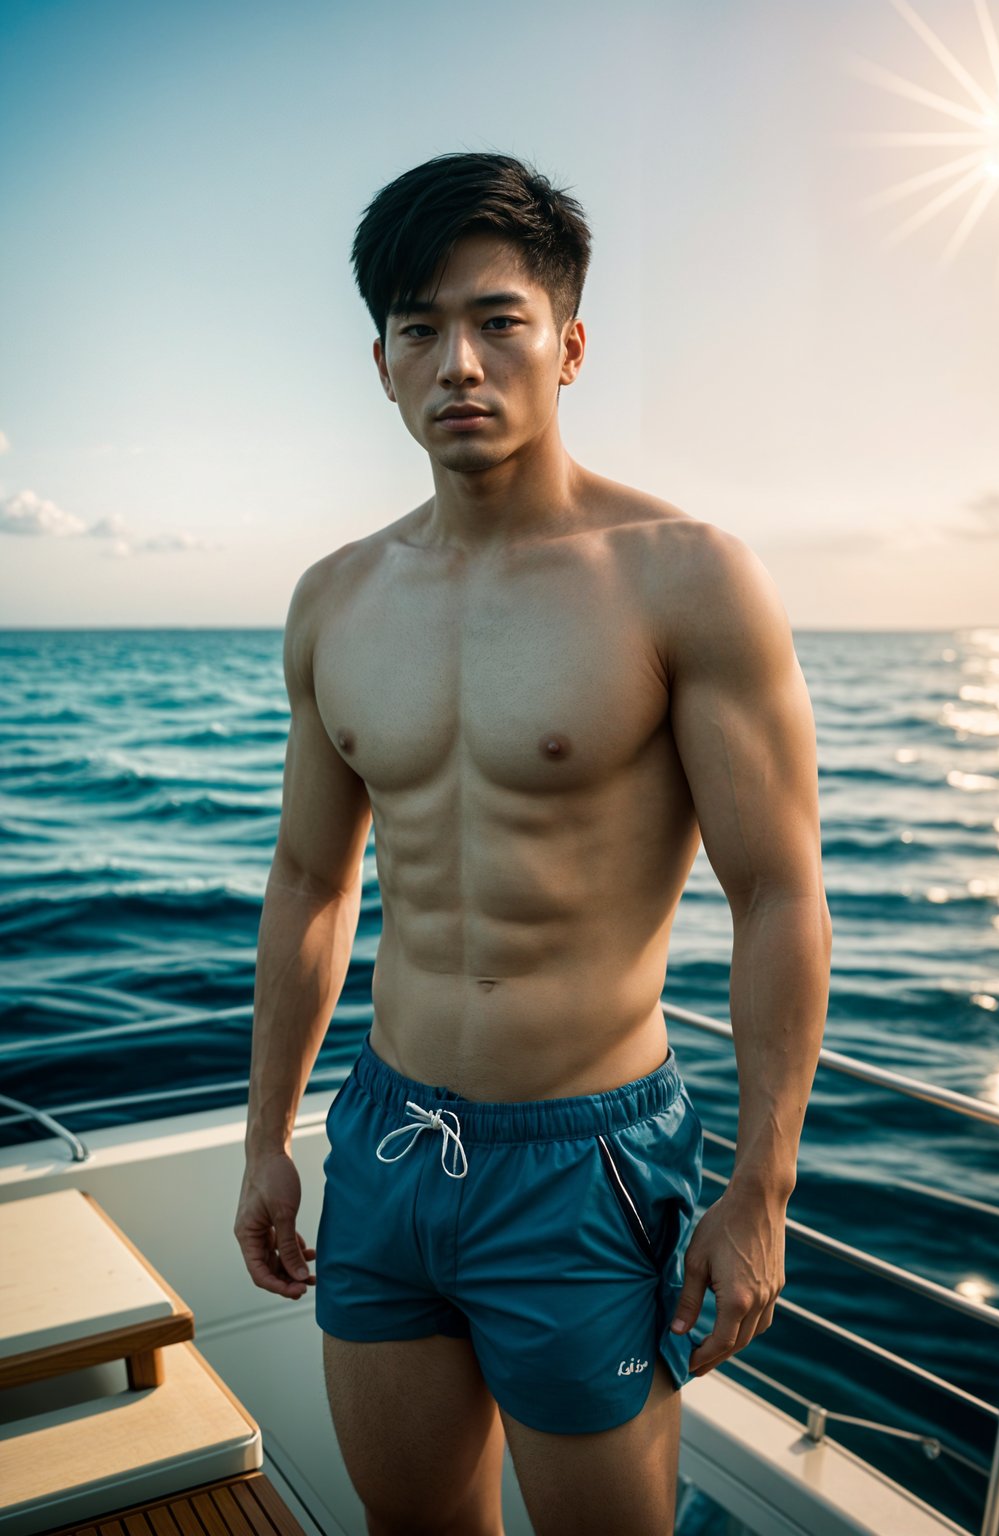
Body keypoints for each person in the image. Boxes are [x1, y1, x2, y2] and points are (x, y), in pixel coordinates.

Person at [234, 150, 832, 1536]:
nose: (460, 361)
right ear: (377, 361)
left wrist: (762, 1185)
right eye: (419, 326)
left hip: (589, 1162)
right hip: (387, 1138)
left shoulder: (683, 578)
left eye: (498, 320)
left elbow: (777, 892)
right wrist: (269, 1137)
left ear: (568, 345)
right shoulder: (334, 602)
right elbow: (311, 884)